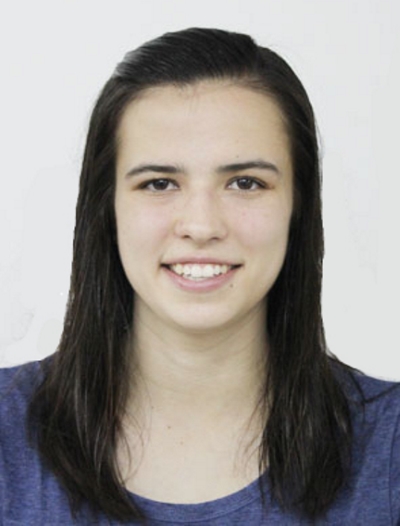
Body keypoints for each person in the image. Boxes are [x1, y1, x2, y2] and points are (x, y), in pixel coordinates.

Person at [0, 27, 399, 525]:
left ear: (297, 205)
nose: (202, 225)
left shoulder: (389, 444)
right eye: (159, 183)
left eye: (245, 183)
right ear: (108, 208)